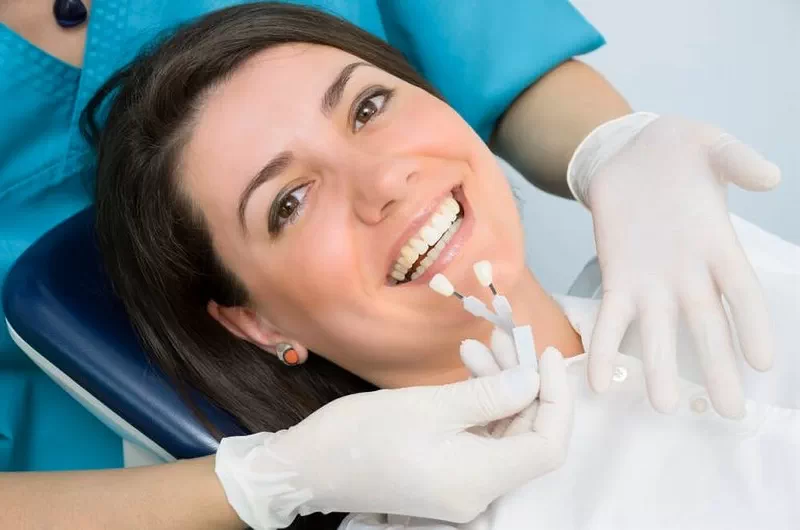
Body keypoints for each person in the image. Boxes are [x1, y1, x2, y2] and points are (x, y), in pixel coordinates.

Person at [84, 4, 797, 530]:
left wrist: (619, 142)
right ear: (256, 322)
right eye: (290, 202)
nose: (383, 181)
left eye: (368, 108)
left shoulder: (710, 251)